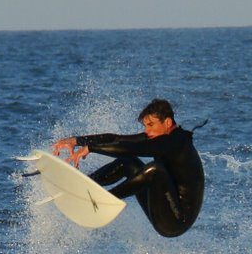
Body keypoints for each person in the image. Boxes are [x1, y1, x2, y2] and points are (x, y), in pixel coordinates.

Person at [52, 99, 205, 238]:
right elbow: (117, 139)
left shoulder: (175, 142)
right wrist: (76, 140)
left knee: (155, 170)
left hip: (176, 221)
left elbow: (133, 148)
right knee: (129, 162)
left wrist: (91, 148)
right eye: (145, 126)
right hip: (160, 205)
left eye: (151, 125)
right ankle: (85, 184)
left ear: (167, 123)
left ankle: (103, 199)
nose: (147, 131)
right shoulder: (158, 137)